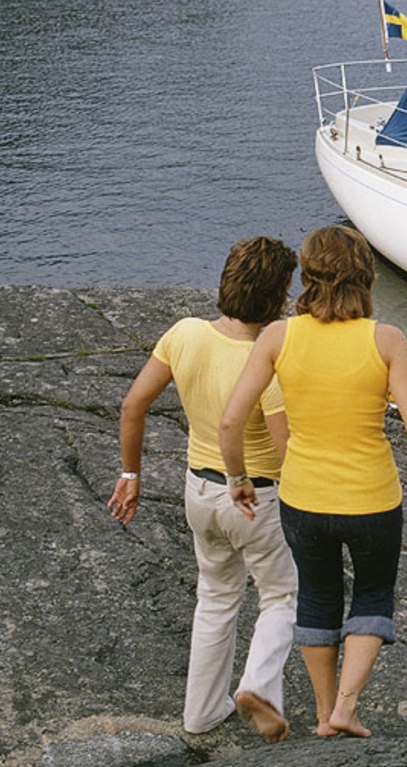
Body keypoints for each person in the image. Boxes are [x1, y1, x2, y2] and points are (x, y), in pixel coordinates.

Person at [219, 225, 407, 739]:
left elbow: (231, 420)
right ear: (366, 273)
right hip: (371, 498)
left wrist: (237, 478)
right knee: (373, 595)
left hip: (302, 497)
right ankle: (346, 707)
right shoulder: (386, 339)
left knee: (317, 596)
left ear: (306, 275)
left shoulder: (278, 336)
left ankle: (320, 716)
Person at [108, 235, 299, 741]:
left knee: (215, 598)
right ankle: (257, 685)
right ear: (279, 295)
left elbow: (133, 406)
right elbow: (287, 452)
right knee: (282, 597)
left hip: (198, 492)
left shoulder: (185, 333)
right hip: (256, 497)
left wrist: (131, 475)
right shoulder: (268, 358)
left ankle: (200, 713)